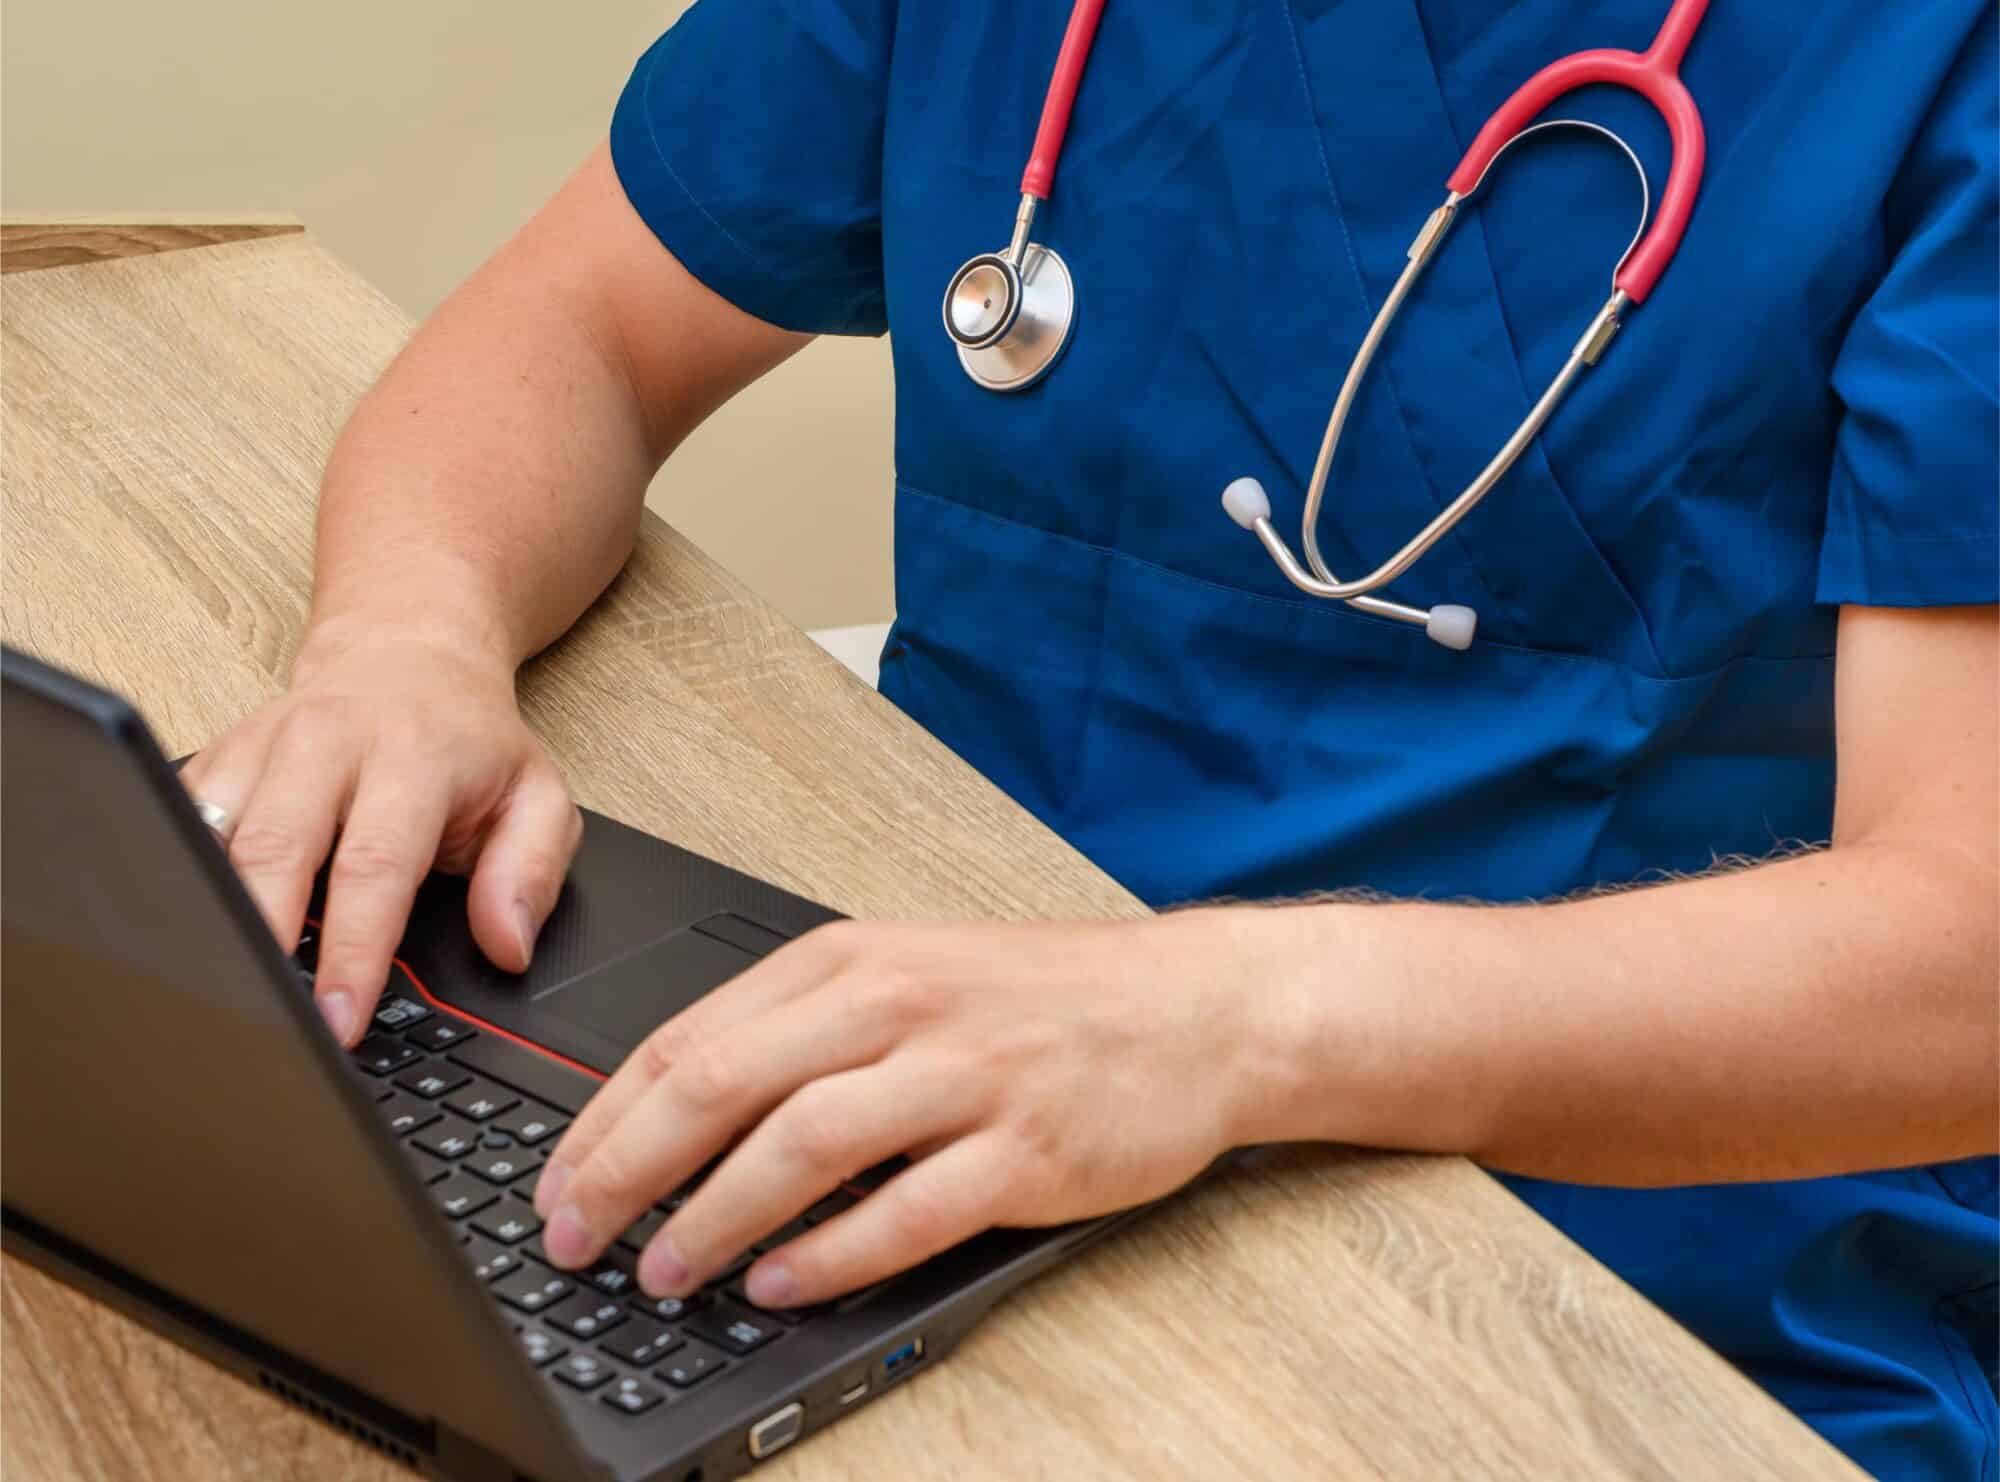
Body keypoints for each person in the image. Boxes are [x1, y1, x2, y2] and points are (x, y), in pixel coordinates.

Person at [181, 3, 1996, 1474]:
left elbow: (1962, 955)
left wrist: (1217, 1021)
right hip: (919, 1158)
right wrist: (407, 638)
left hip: (1605, 1304)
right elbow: (579, 323)